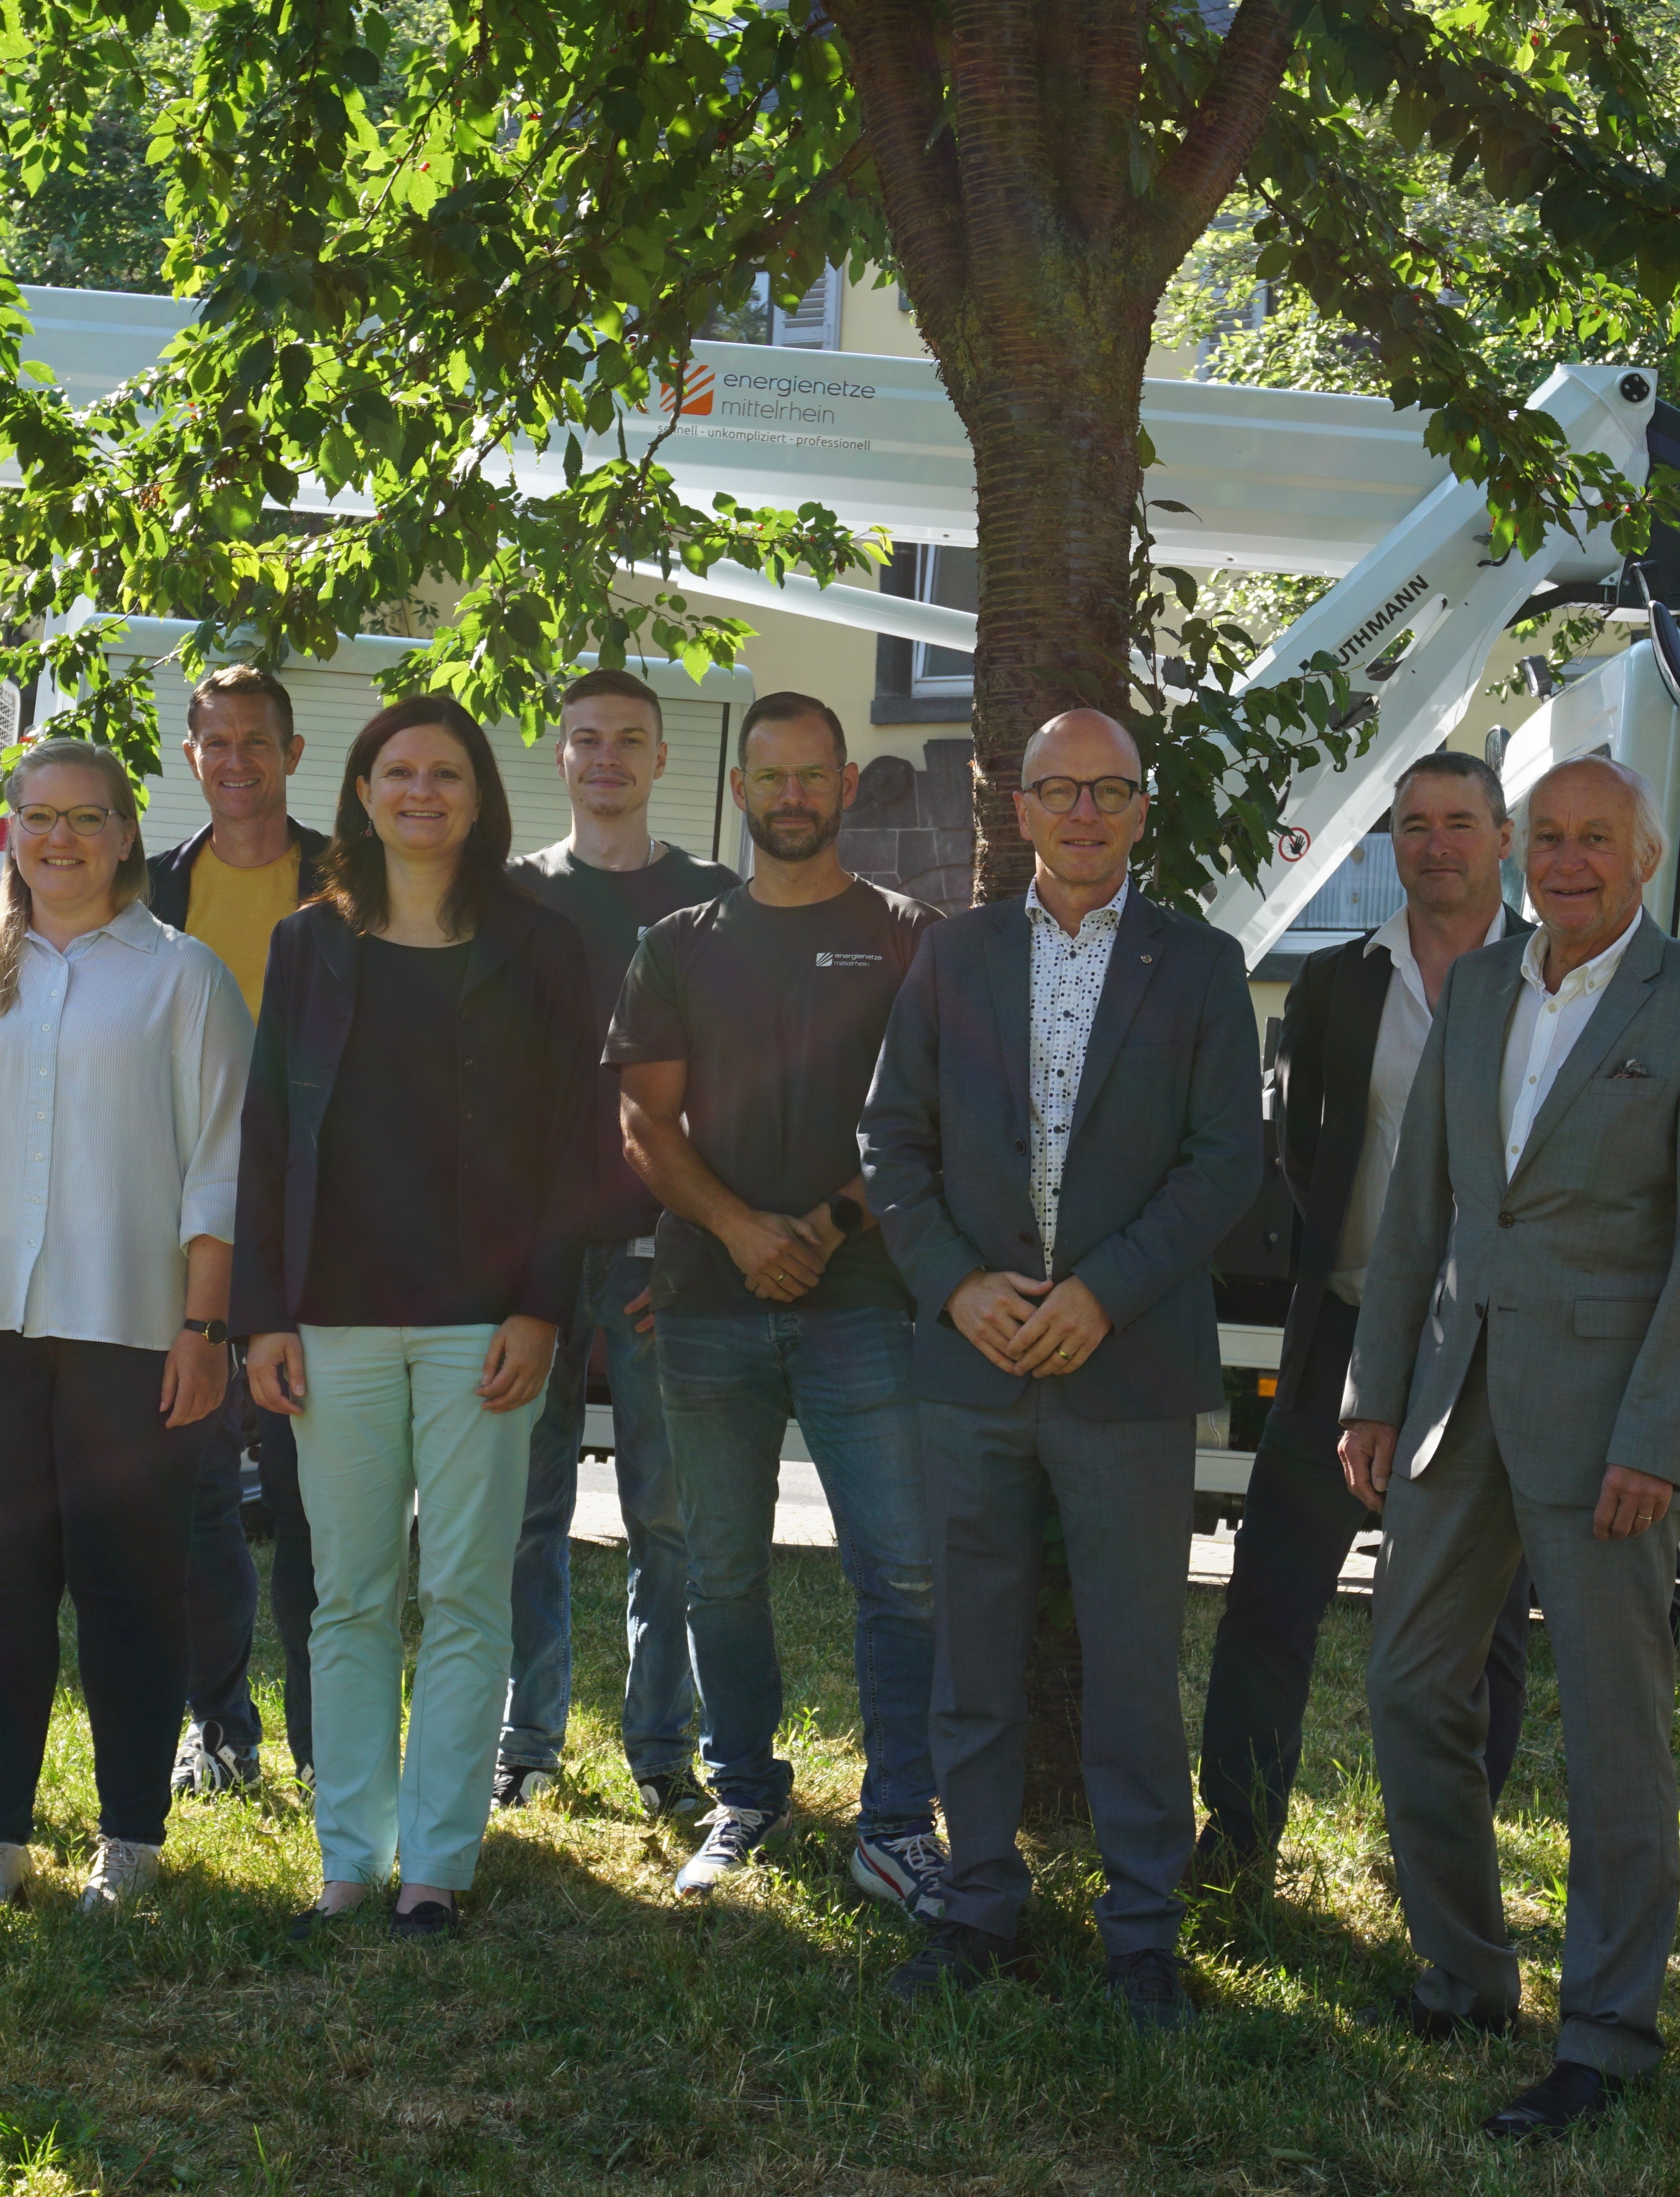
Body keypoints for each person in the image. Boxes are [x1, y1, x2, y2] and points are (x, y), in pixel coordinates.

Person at [1338, 756, 1680, 2134]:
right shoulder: (1479, 988)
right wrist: (1372, 1389)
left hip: (1608, 1435)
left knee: (1612, 1733)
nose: (1569, 859)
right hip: (1454, 1402)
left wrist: (1661, 1431)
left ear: (1646, 859)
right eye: (1551, 837)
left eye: (1599, 839)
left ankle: (1608, 2030)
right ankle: (1464, 1973)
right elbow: (1422, 1212)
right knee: (1408, 1686)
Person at [860, 707, 1264, 2031]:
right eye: (1059, 790)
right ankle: (979, 1904)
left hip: (1126, 1362)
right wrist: (956, 1284)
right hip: (972, 1364)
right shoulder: (952, 953)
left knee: (1135, 1660)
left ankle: (1142, 1929)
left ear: (1144, 810)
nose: (1085, 812)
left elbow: (1224, 1165)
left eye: (1111, 790)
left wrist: (1105, 1293)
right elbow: (891, 1144)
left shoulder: (1201, 964)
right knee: (972, 1653)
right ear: (1017, 807)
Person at [0, 737, 248, 1914]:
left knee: (129, 1587)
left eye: (87, 815)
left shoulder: (185, 978)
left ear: (128, 831)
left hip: (134, 1332)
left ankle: (132, 1839)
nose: (61, 837)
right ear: (8, 831)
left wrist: (204, 1325)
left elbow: (221, 1168)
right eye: (37, 815)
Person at [237, 696, 595, 1941]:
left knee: (465, 1591)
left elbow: (576, 1148)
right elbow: (270, 1135)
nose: (424, 791)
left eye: (448, 772)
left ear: (483, 797)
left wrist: (543, 1307)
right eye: (401, 771)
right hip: (330, 1318)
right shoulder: (306, 944)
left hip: (481, 1323)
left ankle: (437, 1860)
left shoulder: (543, 950)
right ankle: (348, 1856)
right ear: (364, 791)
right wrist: (262, 1315)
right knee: (347, 1593)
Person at [607, 692, 946, 1910]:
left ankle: (901, 1820)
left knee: (901, 1571)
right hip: (707, 1297)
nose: (793, 795)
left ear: (846, 786)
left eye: (815, 775)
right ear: (739, 788)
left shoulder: (913, 934)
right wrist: (746, 1230)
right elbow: (644, 1118)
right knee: (720, 1569)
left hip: (867, 1300)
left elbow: (938, 1112)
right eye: (772, 775)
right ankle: (743, 1791)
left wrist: (826, 1224)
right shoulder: (679, 942)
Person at [1196, 750, 1531, 1891]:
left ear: (1502, 836)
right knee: (1273, 1595)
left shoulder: (1554, 980)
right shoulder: (1339, 983)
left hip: (1490, 1352)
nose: (1436, 842)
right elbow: (1301, 1150)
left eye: (1459, 821)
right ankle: (1237, 1836)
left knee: (1479, 1624)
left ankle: (1446, 1861)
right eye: (1414, 822)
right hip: (1342, 1329)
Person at [499, 666, 733, 1821]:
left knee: (669, 1516)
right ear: (559, 755)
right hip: (532, 1261)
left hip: (662, 1255)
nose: (606, 759)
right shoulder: (507, 894)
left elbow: (739, 1091)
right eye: (585, 738)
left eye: (628, 740)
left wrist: (696, 1243)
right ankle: (526, 1741)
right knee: (524, 1510)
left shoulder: (711, 900)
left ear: (659, 758)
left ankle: (661, 1752)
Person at [147, 665, 332, 1797]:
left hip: (319, 1233)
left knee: (319, 1502)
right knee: (197, 1491)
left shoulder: (345, 883)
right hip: (188, 1229)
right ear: (190, 757)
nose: (236, 761)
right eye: (215, 742)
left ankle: (325, 1742)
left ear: (293, 754)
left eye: (256, 742)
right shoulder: (151, 888)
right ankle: (218, 1727)